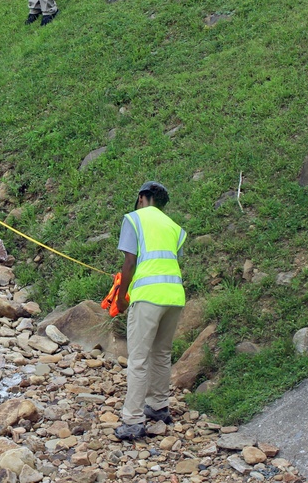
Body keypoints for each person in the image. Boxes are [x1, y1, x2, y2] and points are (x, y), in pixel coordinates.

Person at [114, 181, 187, 441]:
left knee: (138, 358)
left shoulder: (134, 219)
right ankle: (158, 407)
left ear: (143, 198)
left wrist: (122, 298)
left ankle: (133, 420)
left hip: (147, 297)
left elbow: (130, 262)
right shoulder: (174, 227)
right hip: (174, 296)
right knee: (162, 353)